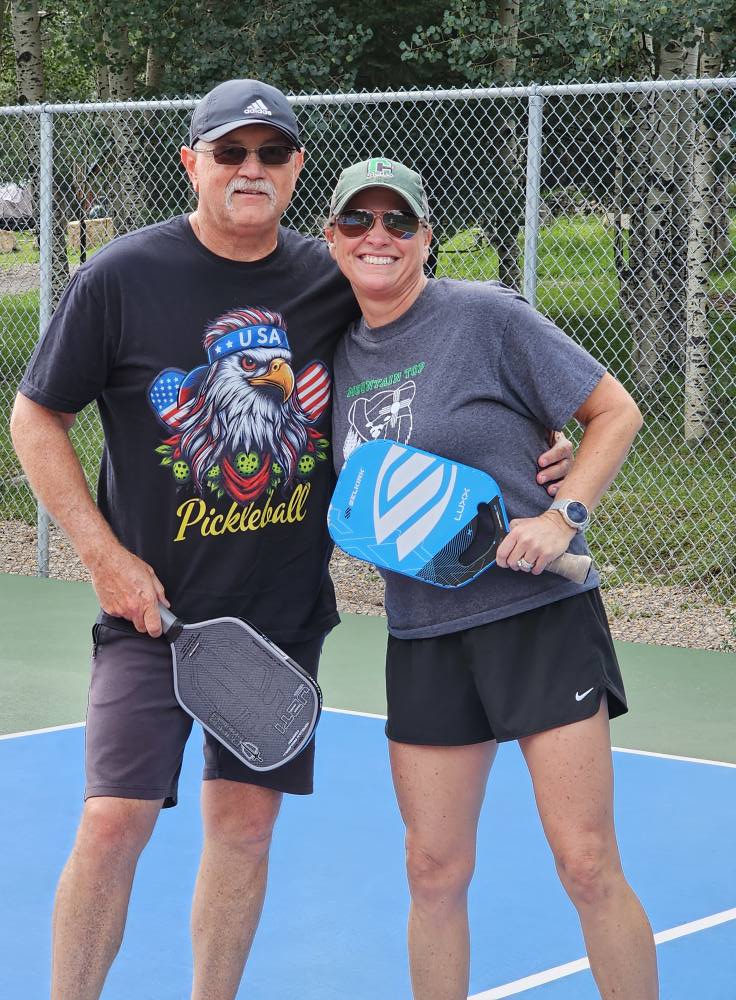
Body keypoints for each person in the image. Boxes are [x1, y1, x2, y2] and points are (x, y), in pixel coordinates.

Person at [10, 82, 572, 999]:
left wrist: (529, 437)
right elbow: (36, 419)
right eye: (230, 152)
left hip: (279, 620)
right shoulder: (118, 277)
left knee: (243, 830)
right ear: (191, 163)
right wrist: (103, 558)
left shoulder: (333, 274)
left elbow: (429, 344)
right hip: (150, 614)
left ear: (296, 168)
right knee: (112, 823)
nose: (251, 169)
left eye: (272, 153)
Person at [325, 158, 658, 1000]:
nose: (377, 236)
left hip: (538, 618)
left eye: (398, 221)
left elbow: (614, 410)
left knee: (586, 862)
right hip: (425, 634)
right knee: (432, 870)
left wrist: (564, 515)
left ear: (426, 238)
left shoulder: (483, 315)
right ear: (331, 239)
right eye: (358, 220)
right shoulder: (332, 354)